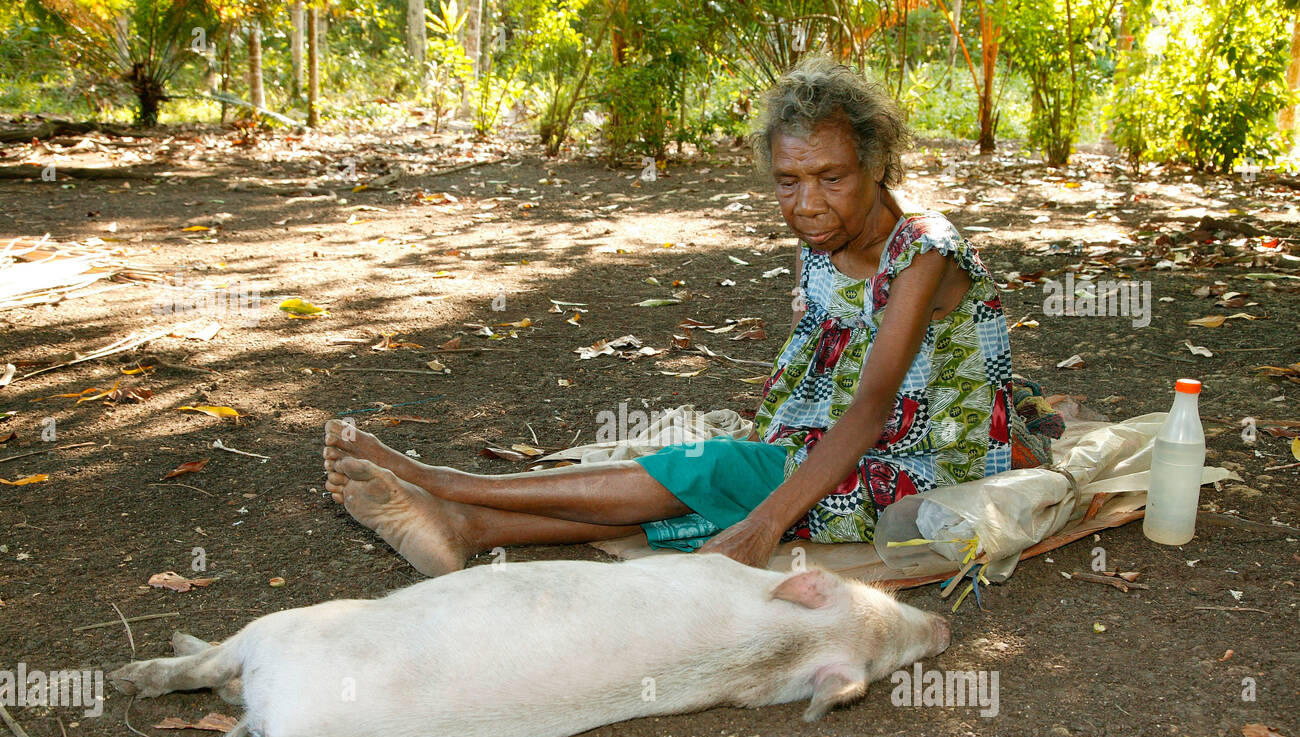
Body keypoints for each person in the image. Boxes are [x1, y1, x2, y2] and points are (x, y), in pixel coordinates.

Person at [322, 55, 1053, 577]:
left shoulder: (922, 250)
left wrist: (765, 527)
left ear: (876, 166)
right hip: (842, 443)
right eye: (788, 181)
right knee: (717, 480)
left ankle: (444, 482)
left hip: (926, 466)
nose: (807, 203)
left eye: (831, 178)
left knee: (726, 472)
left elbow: (868, 410)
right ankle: (467, 527)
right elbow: (822, 375)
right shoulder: (822, 244)